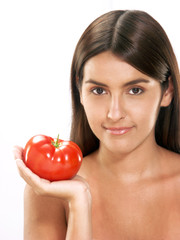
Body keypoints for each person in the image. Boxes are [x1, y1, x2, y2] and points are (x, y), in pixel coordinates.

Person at [13, 10, 180, 240]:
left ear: (167, 91)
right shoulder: (48, 192)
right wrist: (79, 202)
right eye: (99, 90)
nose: (114, 113)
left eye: (135, 90)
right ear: (80, 90)